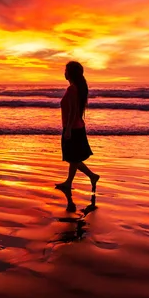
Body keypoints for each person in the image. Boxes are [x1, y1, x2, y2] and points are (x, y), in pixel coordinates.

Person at [56, 61, 99, 209]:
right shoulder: (77, 88)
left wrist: (67, 129)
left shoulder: (72, 89)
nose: (64, 72)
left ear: (71, 73)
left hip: (73, 128)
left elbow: (73, 111)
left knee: (73, 158)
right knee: (73, 158)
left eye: (66, 70)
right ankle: (69, 182)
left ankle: (91, 176)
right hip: (76, 127)